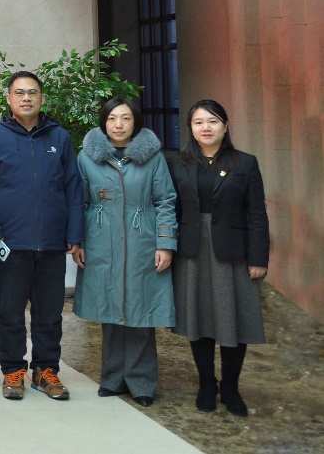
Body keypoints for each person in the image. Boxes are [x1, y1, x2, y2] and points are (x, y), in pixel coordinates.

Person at [0, 71, 83, 401]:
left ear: (42, 98)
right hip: (10, 242)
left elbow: (73, 188)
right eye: (19, 92)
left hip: (52, 243)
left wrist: (74, 233)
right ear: (8, 99)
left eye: (32, 92)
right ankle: (13, 369)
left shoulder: (59, 137)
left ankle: (45, 370)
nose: (26, 98)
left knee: (49, 313)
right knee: (9, 311)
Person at [73, 98, 177, 408]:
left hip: (142, 241)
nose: (119, 124)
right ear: (103, 122)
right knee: (110, 310)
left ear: (136, 122)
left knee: (141, 312)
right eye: (112, 118)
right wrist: (77, 241)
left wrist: (165, 243)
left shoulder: (153, 158)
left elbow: (165, 200)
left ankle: (142, 382)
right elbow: (78, 201)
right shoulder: (86, 157)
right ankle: (113, 378)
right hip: (100, 240)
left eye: (126, 118)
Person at [170, 99, 268, 417]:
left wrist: (258, 258)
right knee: (198, 318)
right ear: (191, 128)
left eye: (213, 121)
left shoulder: (245, 163)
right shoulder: (178, 163)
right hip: (192, 250)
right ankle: (206, 384)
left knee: (233, 319)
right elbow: (172, 209)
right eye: (199, 122)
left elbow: (257, 213)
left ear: (225, 126)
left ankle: (230, 387)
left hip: (233, 251)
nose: (206, 128)